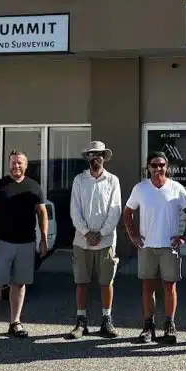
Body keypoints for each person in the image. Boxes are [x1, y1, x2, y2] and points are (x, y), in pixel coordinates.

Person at [124, 151, 186, 344]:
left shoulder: (176, 188)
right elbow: (128, 212)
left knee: (169, 287)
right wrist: (133, 236)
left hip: (169, 247)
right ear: (148, 168)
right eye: (154, 165)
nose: (158, 168)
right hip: (147, 246)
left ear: (167, 167)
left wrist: (184, 238)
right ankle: (148, 326)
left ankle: (170, 325)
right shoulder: (140, 188)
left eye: (162, 165)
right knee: (148, 288)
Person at [0, 150, 48, 343]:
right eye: (13, 163)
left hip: (26, 243)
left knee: (19, 283)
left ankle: (15, 322)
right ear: (8, 164)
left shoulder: (33, 186)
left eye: (19, 163)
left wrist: (43, 238)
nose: (16, 166)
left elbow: (42, 212)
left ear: (26, 165)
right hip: (1, 242)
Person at [68, 141, 122, 339]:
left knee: (106, 282)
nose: (95, 158)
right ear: (88, 158)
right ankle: (81, 322)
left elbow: (115, 210)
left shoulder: (112, 180)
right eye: (92, 154)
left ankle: (106, 320)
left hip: (106, 241)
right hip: (82, 241)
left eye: (99, 154)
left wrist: (101, 233)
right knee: (81, 282)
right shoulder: (79, 180)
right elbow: (74, 210)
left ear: (104, 157)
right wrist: (86, 232)